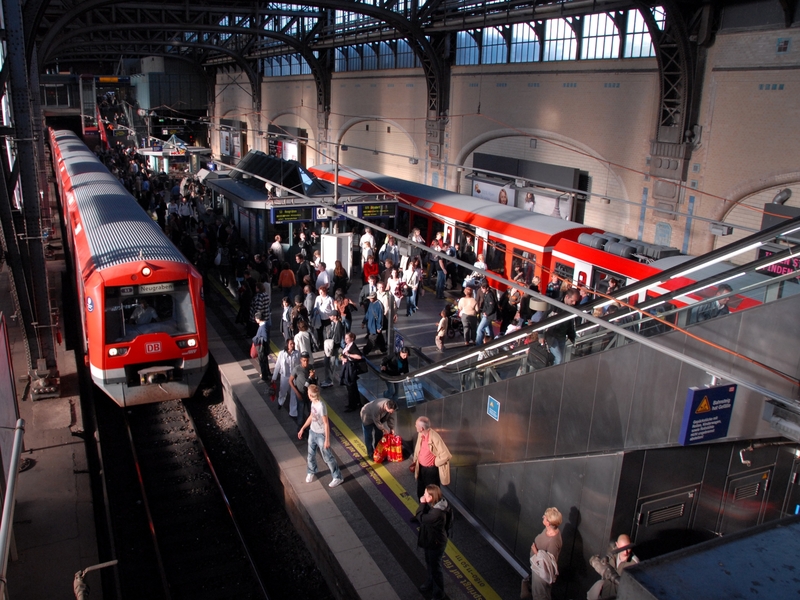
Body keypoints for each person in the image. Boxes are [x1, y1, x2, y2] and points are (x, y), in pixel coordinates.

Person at [298, 384, 344, 488]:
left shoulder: (321, 406)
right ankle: (311, 471)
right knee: (310, 454)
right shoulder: (313, 403)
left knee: (327, 456)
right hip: (312, 431)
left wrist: (327, 440)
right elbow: (311, 416)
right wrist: (303, 428)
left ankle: (338, 476)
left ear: (310, 394)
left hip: (321, 434)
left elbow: (326, 423)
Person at [416, 484, 452, 600]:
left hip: (435, 542)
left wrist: (422, 503)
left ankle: (438, 594)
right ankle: (430, 582)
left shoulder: (436, 513)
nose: (423, 495)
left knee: (435, 567)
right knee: (430, 562)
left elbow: (421, 518)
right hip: (430, 539)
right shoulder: (437, 505)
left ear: (431, 497)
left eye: (426, 494)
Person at [587, 534, 639, 600]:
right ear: (617, 545)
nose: (626, 552)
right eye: (623, 548)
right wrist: (598, 564)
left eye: (628, 548)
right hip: (605, 594)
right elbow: (593, 559)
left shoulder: (634, 563)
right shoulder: (611, 553)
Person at [411, 417, 451, 501]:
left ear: (421, 428)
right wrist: (415, 461)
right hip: (421, 468)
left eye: (416, 425)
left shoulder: (435, 437)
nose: (415, 426)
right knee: (421, 491)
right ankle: (422, 509)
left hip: (431, 471)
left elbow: (446, 455)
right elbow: (418, 448)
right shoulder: (420, 434)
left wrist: (435, 462)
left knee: (432, 494)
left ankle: (432, 511)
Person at [529, 507, 563, 600]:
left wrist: (536, 552)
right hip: (537, 568)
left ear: (548, 522)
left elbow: (549, 563)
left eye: (545, 517)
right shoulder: (548, 530)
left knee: (540, 596)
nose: (542, 517)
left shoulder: (553, 542)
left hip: (541, 575)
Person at [543, 289, 579, 365]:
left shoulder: (572, 308)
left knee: (560, 358)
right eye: (572, 301)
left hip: (562, 336)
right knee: (559, 358)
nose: (574, 303)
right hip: (552, 335)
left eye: (575, 301)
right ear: (567, 297)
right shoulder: (555, 304)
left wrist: (572, 336)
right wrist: (540, 335)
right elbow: (543, 319)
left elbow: (570, 324)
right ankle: (555, 374)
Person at [290, 351, 315, 431]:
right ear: (301, 360)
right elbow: (290, 381)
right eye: (304, 361)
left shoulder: (311, 367)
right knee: (300, 413)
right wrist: (297, 393)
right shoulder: (297, 369)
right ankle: (300, 429)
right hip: (301, 394)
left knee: (311, 412)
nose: (306, 362)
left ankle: (310, 428)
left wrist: (313, 377)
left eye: (307, 360)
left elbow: (314, 382)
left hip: (310, 396)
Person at [340, 332, 363, 412]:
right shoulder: (347, 346)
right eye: (345, 338)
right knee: (353, 387)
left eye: (347, 338)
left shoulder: (353, 347)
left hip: (351, 369)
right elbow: (342, 354)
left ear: (352, 338)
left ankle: (352, 405)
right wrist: (342, 358)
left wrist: (349, 355)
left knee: (350, 386)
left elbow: (359, 356)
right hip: (347, 368)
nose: (345, 339)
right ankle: (357, 402)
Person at [274, 339, 299, 413]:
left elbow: (298, 365)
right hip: (285, 376)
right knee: (283, 391)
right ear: (287, 345)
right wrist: (274, 378)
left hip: (294, 376)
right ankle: (280, 401)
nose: (292, 345)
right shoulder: (281, 354)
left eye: (293, 344)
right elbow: (277, 366)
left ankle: (293, 412)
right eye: (291, 344)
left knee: (294, 394)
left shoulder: (297, 353)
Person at [321, 312, 344, 387]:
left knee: (331, 364)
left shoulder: (339, 325)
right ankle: (327, 379)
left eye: (331, 315)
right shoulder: (333, 324)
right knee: (327, 363)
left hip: (334, 347)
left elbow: (338, 338)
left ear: (335, 316)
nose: (329, 316)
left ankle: (329, 380)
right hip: (330, 347)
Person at [476, 280, 498, 345]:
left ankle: (478, 344)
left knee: (480, 329)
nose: (481, 290)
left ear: (486, 288)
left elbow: (491, 306)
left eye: (483, 288)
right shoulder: (487, 294)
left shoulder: (489, 295)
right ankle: (491, 340)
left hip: (487, 316)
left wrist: (486, 313)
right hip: (487, 315)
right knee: (489, 329)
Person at [251, 311, 271, 382]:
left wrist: (256, 339)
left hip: (261, 348)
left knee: (262, 361)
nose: (255, 319)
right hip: (263, 347)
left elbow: (265, 338)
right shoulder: (265, 325)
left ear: (259, 319)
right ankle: (267, 374)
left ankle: (264, 377)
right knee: (265, 361)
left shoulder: (263, 327)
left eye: (256, 318)